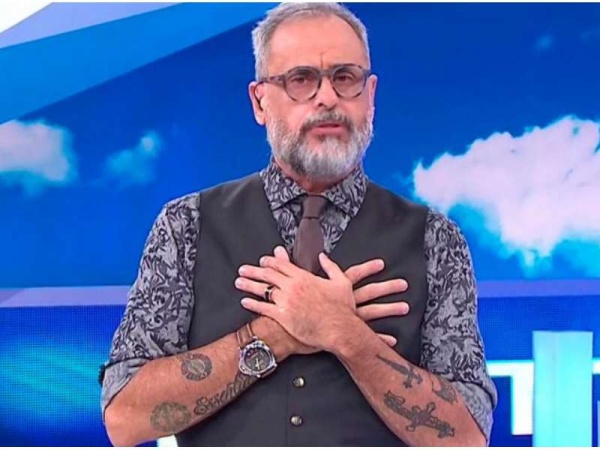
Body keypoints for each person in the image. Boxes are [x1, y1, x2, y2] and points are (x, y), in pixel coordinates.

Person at [100, 2, 497, 447]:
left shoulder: (435, 239)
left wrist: (347, 336)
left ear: (370, 96)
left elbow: (467, 437)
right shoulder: (186, 225)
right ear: (259, 102)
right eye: (301, 79)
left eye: (345, 77)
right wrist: (276, 335)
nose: (327, 98)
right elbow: (124, 418)